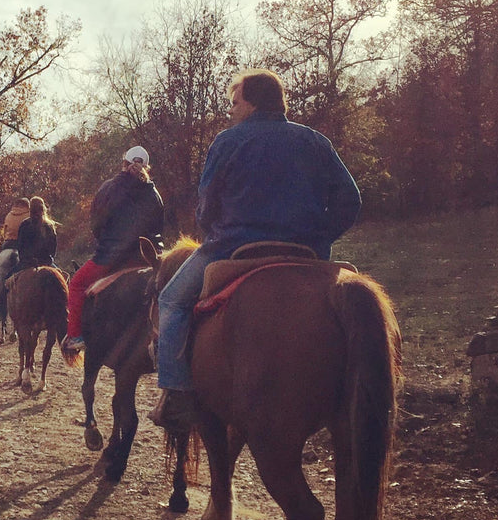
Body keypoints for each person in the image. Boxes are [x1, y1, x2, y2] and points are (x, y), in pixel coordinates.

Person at [152, 68, 362, 424]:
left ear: (251, 104)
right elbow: (350, 200)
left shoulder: (228, 141)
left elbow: (207, 203)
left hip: (233, 248)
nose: (231, 110)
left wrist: (214, 229)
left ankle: (176, 394)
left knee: (171, 300)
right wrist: (319, 236)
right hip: (305, 252)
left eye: (235, 103)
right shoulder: (315, 141)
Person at [62, 145, 165, 355]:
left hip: (112, 256)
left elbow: (96, 223)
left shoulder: (109, 188)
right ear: (147, 167)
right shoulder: (154, 194)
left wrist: (106, 243)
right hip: (146, 256)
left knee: (77, 284)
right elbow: (159, 226)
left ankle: (75, 336)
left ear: (124, 163)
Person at [0, 197, 30, 323]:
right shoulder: (29, 215)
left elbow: (4, 233)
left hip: (8, 244)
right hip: (23, 246)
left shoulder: (9, 215)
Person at [15, 196, 58, 269]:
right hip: (46, 263)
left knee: (9, 275)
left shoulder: (25, 224)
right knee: (62, 275)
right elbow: (53, 251)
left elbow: (20, 247)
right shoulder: (49, 227)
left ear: (30, 209)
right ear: (43, 210)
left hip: (27, 263)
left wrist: (28, 259)